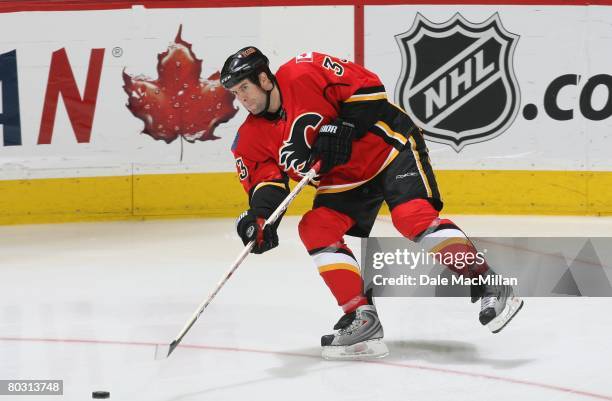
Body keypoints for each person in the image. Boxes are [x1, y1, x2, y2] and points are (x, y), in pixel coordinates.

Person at [220, 46, 523, 360]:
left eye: (245, 87)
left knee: (412, 217)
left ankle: (489, 282)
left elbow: (369, 88)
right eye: (235, 92)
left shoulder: (304, 71)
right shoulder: (249, 139)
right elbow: (266, 185)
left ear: (265, 79)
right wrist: (260, 220)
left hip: (390, 148)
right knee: (315, 227)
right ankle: (362, 317)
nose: (242, 98)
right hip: (344, 179)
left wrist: (345, 125)